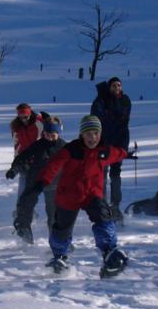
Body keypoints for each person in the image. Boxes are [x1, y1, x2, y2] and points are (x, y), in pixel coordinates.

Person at [30, 115, 134, 277]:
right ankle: (60, 256)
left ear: (100, 134)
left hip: (92, 194)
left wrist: (126, 154)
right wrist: (43, 181)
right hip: (69, 195)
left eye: (95, 133)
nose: (92, 138)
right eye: (88, 134)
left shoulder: (104, 151)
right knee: (62, 228)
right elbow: (54, 164)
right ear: (81, 135)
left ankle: (108, 251)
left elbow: (117, 153)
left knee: (103, 218)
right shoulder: (72, 150)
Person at [10, 116, 66, 244]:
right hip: (35, 180)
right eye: (47, 134)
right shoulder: (38, 145)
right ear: (43, 132)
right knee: (25, 204)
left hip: (54, 183)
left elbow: (75, 163)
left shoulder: (64, 147)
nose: (50, 137)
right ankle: (24, 228)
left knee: (54, 214)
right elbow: (22, 157)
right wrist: (14, 169)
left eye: (53, 134)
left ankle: (57, 241)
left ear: (58, 132)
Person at [91, 76, 132, 222]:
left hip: (119, 142)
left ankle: (115, 206)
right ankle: (102, 204)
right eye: (114, 86)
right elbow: (96, 118)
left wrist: (110, 115)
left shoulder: (125, 99)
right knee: (101, 173)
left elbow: (123, 115)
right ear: (109, 87)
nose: (117, 88)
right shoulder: (101, 100)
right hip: (102, 142)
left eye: (119, 85)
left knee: (115, 174)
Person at [8, 103, 43, 200]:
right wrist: (16, 162)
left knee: (40, 186)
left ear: (30, 114)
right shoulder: (16, 126)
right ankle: (21, 209)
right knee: (23, 184)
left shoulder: (39, 122)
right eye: (21, 117)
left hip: (39, 159)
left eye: (25, 117)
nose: (23, 119)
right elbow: (17, 145)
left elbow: (51, 134)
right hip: (24, 160)